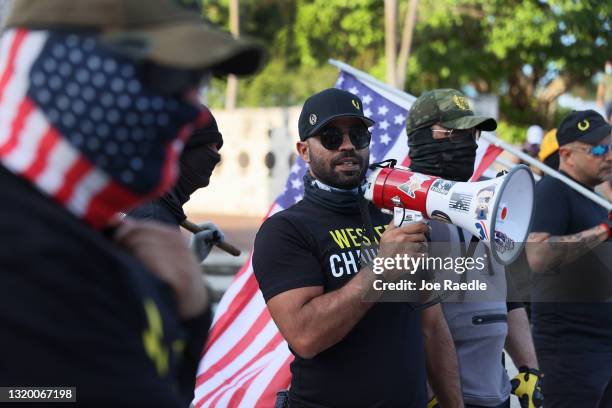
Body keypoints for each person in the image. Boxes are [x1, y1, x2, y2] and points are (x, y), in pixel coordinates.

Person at [0, 0, 264, 406]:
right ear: (65, 66)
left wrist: (190, 315)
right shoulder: (24, 255)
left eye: (195, 81)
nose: (188, 111)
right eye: (165, 76)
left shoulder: (100, 235)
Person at [253, 88, 463, 407]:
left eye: (358, 134)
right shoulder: (285, 230)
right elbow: (305, 337)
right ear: (304, 150)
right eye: (331, 136)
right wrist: (380, 269)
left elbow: (432, 327)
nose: (348, 145)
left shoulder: (397, 217)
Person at [406, 89, 542, 408]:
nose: (468, 142)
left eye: (473, 133)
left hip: (495, 392)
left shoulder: (482, 203)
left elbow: (506, 296)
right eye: (456, 133)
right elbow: (407, 327)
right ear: (424, 136)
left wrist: (529, 370)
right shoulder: (404, 214)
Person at [526, 109, 612, 407]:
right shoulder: (553, 190)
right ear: (567, 154)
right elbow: (537, 254)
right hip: (570, 353)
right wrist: (603, 230)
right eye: (599, 149)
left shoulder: (595, 197)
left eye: (611, 147)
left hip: (601, 351)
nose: (609, 156)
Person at [129, 105, 226, 262]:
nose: (217, 156)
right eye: (209, 147)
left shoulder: (143, 202)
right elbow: (159, 286)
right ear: (180, 152)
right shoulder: (155, 219)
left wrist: (189, 259)